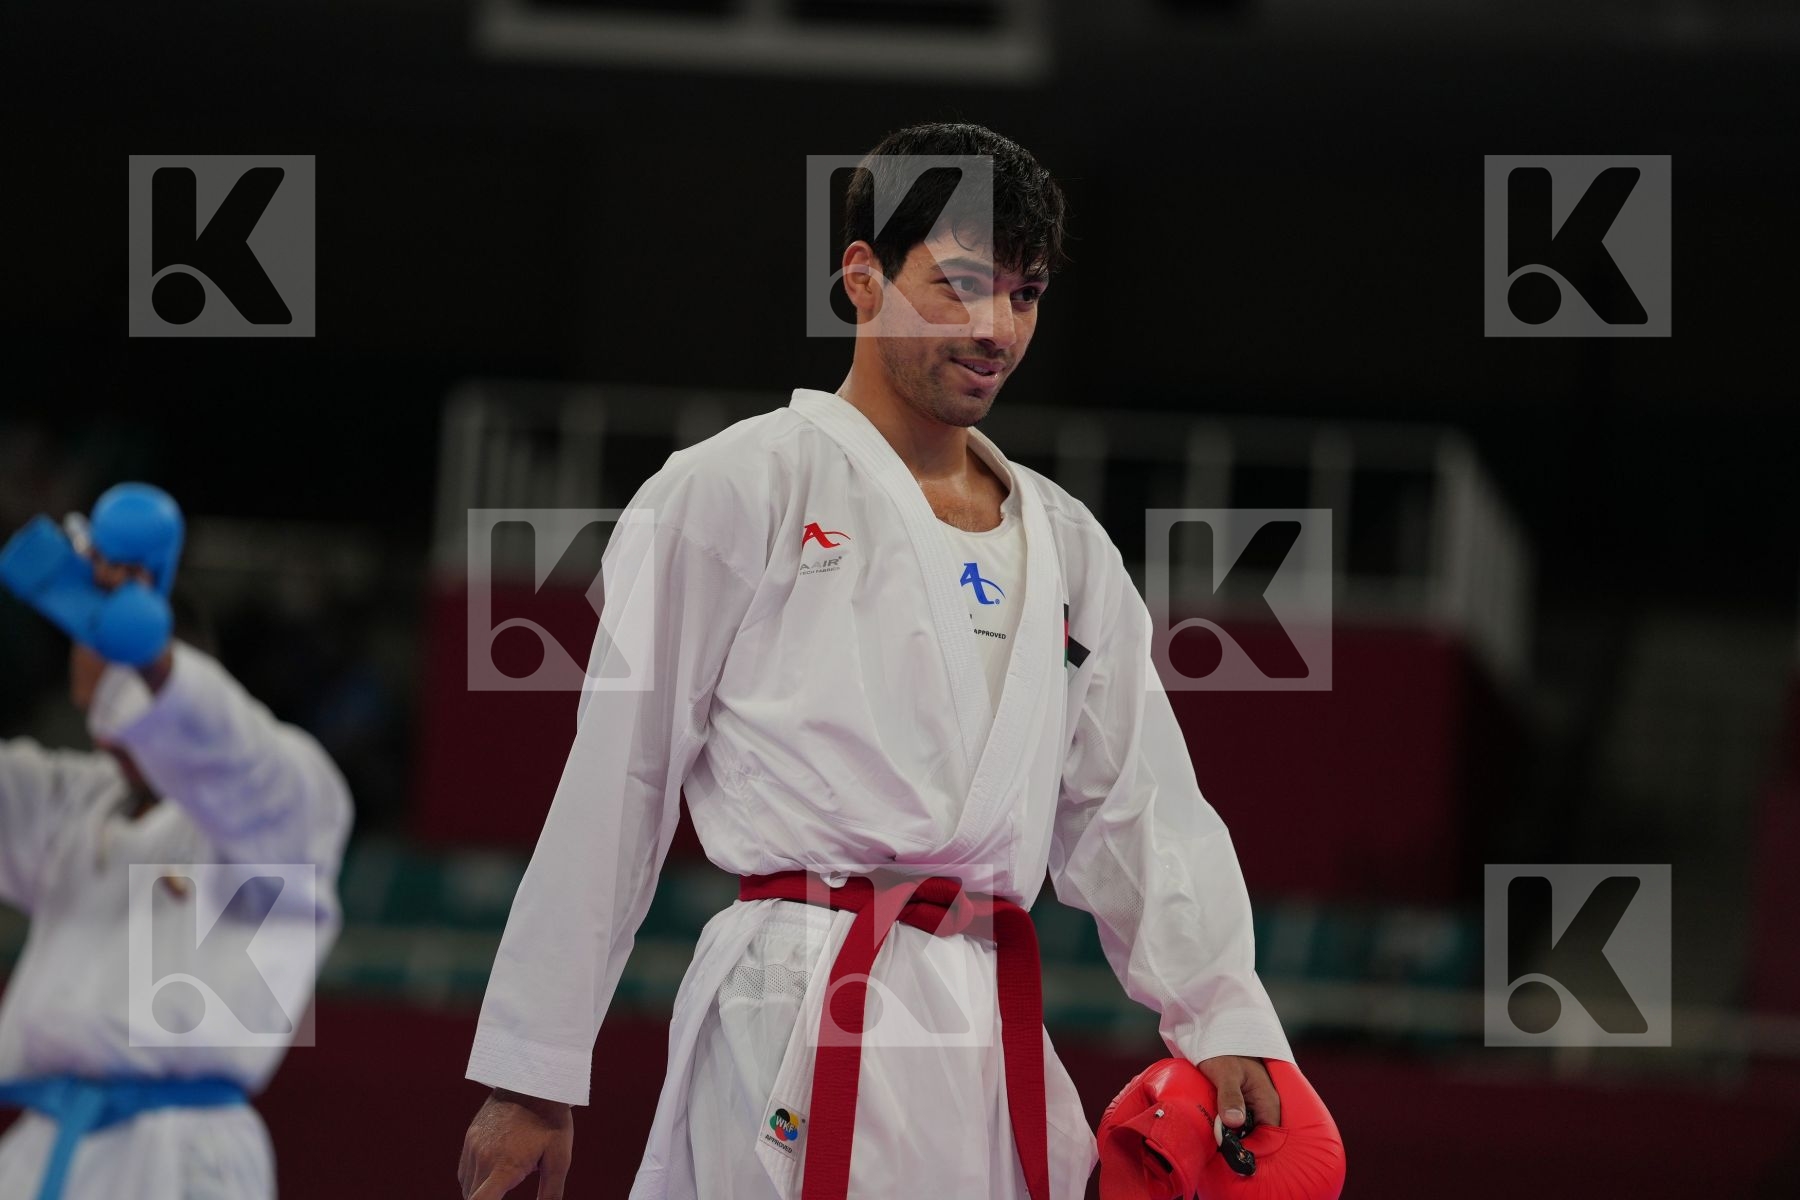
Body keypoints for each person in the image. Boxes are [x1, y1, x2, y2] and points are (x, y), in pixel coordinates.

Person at [458, 122, 1293, 1200]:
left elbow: (1141, 808)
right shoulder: (734, 489)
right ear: (861, 279)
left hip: (990, 1023)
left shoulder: (1070, 542)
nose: (995, 326)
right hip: (796, 998)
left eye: (1025, 295)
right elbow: (617, 783)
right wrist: (532, 1075)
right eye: (958, 286)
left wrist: (1222, 1012)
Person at [0, 492, 354, 1200]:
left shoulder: (290, 799)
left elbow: (230, 758)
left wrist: (153, 666)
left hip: (181, 1159)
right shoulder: (76, 802)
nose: (106, 731)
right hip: (39, 1145)